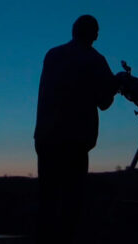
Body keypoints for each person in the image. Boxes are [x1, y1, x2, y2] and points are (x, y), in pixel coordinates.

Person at [34, 14, 120, 244]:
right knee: (72, 201)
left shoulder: (53, 55)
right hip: (76, 140)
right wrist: (115, 86)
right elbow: (104, 102)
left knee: (48, 200)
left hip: (46, 137)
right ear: (95, 35)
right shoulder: (95, 60)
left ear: (73, 30)